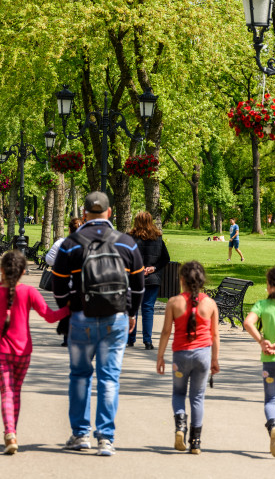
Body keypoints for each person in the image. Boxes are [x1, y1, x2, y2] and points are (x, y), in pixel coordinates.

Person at [52, 191, 145, 456]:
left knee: (80, 375)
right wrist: (132, 314)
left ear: (84, 214)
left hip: (81, 316)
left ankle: (80, 434)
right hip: (116, 317)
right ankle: (106, 437)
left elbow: (58, 283)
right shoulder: (126, 243)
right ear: (110, 212)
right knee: (109, 378)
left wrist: (67, 309)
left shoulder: (72, 243)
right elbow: (138, 286)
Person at [0, 250, 71, 454]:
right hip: (23, 350)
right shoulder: (29, 292)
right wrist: (68, 309)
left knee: (6, 392)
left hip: (1, 349)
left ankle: (10, 432)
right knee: (15, 392)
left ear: (2, 270)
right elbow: (50, 317)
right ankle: (12, 431)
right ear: (24, 271)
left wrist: (2, 285)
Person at [156, 261, 219, 454]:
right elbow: (215, 335)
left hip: (181, 355)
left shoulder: (174, 302)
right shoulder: (210, 303)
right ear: (201, 281)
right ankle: (196, 442)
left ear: (181, 280)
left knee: (178, 394)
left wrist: (160, 357)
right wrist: (215, 360)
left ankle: (180, 427)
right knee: (198, 397)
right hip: (203, 356)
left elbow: (166, 332)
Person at [244, 266, 275, 458]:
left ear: (272, 286)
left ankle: (274, 424)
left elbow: (248, 322)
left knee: (272, 399)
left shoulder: (263, 305)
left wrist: (261, 340)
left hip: (270, 360)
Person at [128, 211, 171, 349]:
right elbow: (165, 258)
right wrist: (153, 268)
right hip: (152, 278)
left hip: (134, 277)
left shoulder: (131, 238)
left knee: (133, 308)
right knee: (148, 309)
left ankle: (130, 338)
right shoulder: (158, 238)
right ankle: (147, 341)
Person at [45, 217, 83, 347]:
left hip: (63, 282)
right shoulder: (87, 244)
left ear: (69, 229)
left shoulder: (61, 243)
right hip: (80, 283)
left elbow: (48, 259)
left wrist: (60, 263)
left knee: (66, 309)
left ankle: (67, 338)